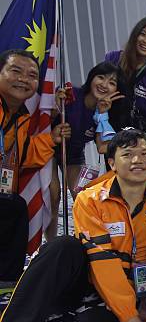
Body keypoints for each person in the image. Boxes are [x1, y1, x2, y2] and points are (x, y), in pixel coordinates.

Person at [0, 129, 146, 322]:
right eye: (127, 154)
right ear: (112, 164)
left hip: (137, 290)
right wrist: (128, 314)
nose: (137, 160)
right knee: (62, 246)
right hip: (91, 279)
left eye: (144, 154)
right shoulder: (89, 199)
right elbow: (102, 261)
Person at [0, 50, 71, 291]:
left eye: (32, 75)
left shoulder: (18, 116)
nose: (24, 79)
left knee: (16, 207)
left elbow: (22, 156)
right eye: (15, 71)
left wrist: (51, 138)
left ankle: (7, 287)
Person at [47, 62, 126, 240]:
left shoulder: (106, 111)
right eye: (101, 77)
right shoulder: (70, 94)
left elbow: (101, 147)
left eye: (112, 82)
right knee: (54, 194)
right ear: (91, 77)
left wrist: (104, 114)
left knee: (84, 196)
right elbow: (45, 118)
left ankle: (85, 242)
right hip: (49, 149)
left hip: (74, 155)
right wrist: (56, 107)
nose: (105, 84)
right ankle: (48, 245)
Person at [104, 17, 146, 132]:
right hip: (110, 128)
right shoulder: (113, 58)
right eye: (143, 34)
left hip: (139, 136)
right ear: (135, 34)